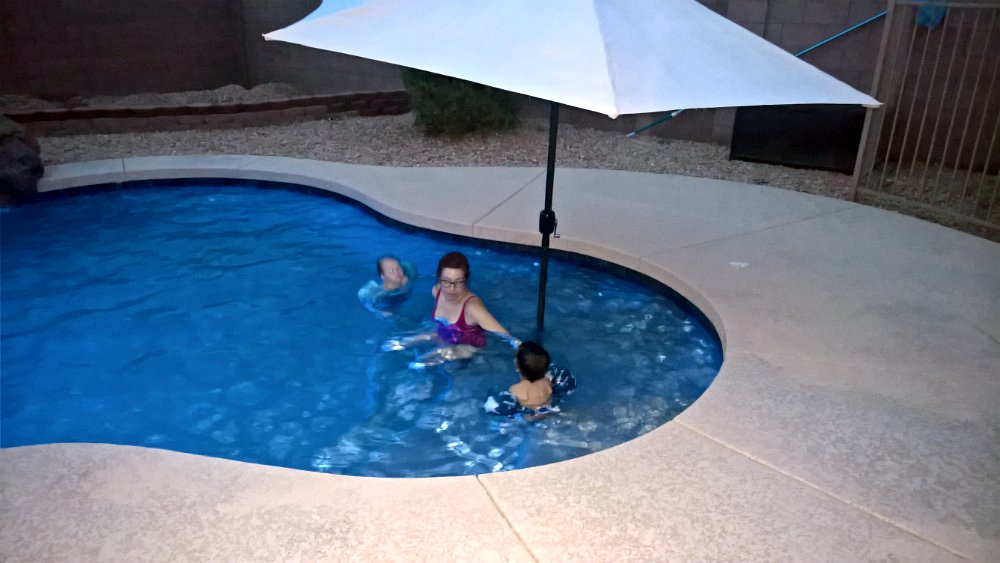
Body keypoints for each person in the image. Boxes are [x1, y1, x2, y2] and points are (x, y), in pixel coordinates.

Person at [381, 251, 519, 367]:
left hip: (467, 348)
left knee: (418, 364)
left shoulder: (472, 308)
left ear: (466, 280)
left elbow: (509, 338)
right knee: (406, 343)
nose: (452, 289)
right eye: (446, 281)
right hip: (445, 335)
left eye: (458, 282)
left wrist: (523, 355)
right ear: (439, 278)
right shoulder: (437, 291)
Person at [483, 340, 577, 418]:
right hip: (547, 409)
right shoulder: (547, 382)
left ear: (517, 368)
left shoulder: (515, 389)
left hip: (527, 416)